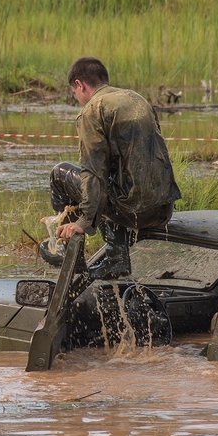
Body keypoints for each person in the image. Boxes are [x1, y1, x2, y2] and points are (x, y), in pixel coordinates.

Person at [40, 57, 182, 279]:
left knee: (60, 175)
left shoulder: (93, 110)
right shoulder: (136, 99)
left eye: (74, 93)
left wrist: (83, 221)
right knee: (114, 177)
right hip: (163, 209)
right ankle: (113, 254)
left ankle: (69, 252)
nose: (77, 98)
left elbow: (93, 172)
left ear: (80, 85)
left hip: (134, 211)